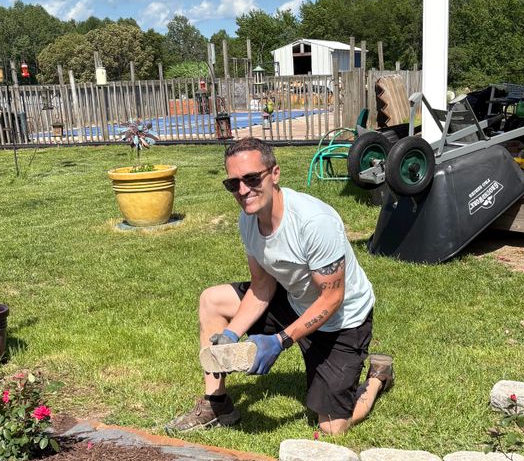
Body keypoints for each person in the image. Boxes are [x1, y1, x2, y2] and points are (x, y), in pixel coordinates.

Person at [166, 137, 393, 436]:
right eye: (233, 184)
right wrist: (232, 333)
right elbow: (262, 285)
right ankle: (216, 403)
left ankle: (379, 375)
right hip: (294, 298)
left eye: (251, 178)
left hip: (341, 320)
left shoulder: (314, 221)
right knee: (212, 300)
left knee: (332, 427)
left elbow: (332, 298)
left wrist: (280, 341)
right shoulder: (248, 220)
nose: (243, 190)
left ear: (274, 174)